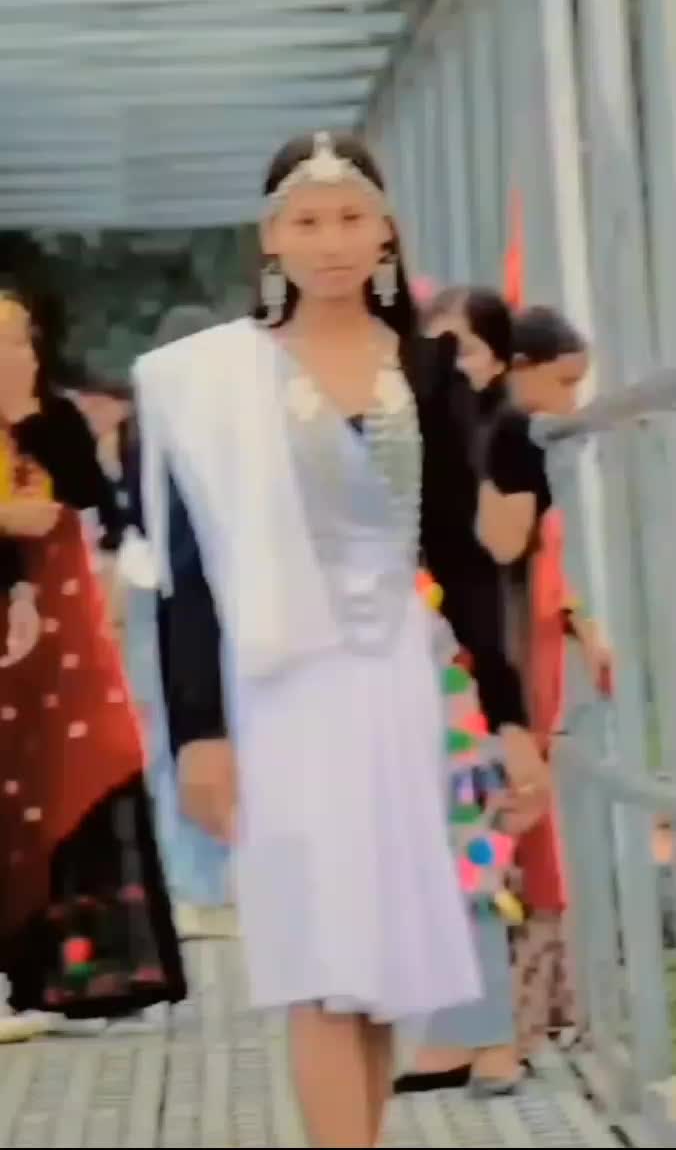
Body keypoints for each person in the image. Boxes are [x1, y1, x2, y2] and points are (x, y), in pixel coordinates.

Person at [134, 133, 548, 1148]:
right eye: (308, 220)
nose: (331, 241)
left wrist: (508, 717)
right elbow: (189, 577)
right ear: (271, 237)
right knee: (319, 960)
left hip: (396, 684)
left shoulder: (428, 368)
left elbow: (460, 558)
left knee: (376, 968)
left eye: (351, 218)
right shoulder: (217, 382)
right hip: (280, 694)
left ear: (385, 231)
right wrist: (199, 733)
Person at [0, 286, 186, 1033]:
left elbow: (96, 508)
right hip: (12, 637)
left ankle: (96, 974)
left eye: (23, 339)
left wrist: (28, 429)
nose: (17, 353)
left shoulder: (55, 420)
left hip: (64, 638)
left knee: (90, 768)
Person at [395, 287, 528, 1095]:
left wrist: (505, 707)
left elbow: (480, 560)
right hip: (373, 654)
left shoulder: (500, 432)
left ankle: (492, 1033)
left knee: (468, 833)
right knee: (416, 847)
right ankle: (453, 1032)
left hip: (444, 655)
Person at [478, 304, 613, 1060]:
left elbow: (538, 568)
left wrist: (580, 624)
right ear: (521, 369)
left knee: (528, 831)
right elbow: (506, 562)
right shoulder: (507, 439)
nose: (572, 402)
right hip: (511, 670)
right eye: (563, 383)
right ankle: (515, 1021)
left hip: (532, 660)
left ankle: (536, 1012)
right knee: (518, 834)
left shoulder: (519, 438)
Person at [121, 305, 235, 940]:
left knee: (172, 736)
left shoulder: (145, 428)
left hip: (159, 594)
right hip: (211, 593)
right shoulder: (222, 429)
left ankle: (193, 880)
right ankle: (217, 872)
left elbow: (139, 515)